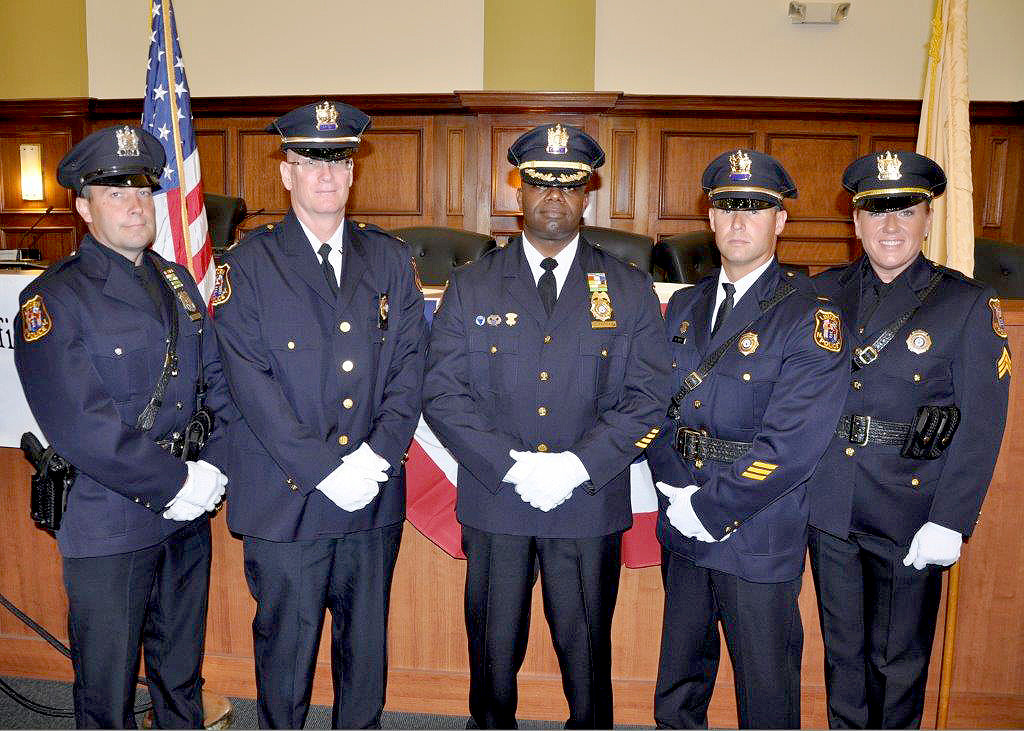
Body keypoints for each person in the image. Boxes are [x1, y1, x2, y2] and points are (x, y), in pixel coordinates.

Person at [422, 123, 671, 729]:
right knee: (492, 652)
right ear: (518, 191)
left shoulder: (629, 288)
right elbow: (442, 392)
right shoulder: (471, 284)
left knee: (587, 655)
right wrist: (511, 465)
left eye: (568, 183)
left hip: (586, 502)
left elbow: (649, 396)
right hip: (497, 499)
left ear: (588, 193)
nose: (553, 195)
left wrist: (578, 466)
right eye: (540, 182)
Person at [211, 100, 426, 729]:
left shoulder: (389, 258)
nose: (326, 176)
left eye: (339, 161)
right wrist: (323, 467)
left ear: (354, 172)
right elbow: (245, 382)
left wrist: (376, 457)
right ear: (286, 173)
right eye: (309, 161)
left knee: (364, 656)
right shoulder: (248, 265)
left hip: (370, 495)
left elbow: (410, 367)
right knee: (286, 654)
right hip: (288, 498)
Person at [13, 125, 232, 728]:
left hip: (186, 512)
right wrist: (174, 483)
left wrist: (213, 469)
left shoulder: (177, 283)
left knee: (181, 672)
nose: (134, 206)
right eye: (114, 194)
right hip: (110, 518)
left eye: (141, 192)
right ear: (84, 209)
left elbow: (214, 383)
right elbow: (82, 426)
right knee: (107, 691)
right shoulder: (52, 300)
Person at [645, 149, 850, 729]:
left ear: (779, 222)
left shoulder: (812, 314)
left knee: (766, 688)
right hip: (682, 514)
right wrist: (675, 491)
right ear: (710, 220)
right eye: (727, 206)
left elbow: (793, 445)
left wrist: (711, 506)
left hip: (758, 526)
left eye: (755, 207)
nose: (739, 221)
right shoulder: (682, 305)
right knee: (680, 681)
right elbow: (655, 407)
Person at [806, 151, 1011, 729]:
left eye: (905, 211)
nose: (889, 226)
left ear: (927, 219)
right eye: (875, 211)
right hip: (833, 503)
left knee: (896, 663)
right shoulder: (821, 293)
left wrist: (951, 518)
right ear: (855, 221)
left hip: (912, 508)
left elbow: (982, 424)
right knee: (843, 656)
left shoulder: (966, 304)